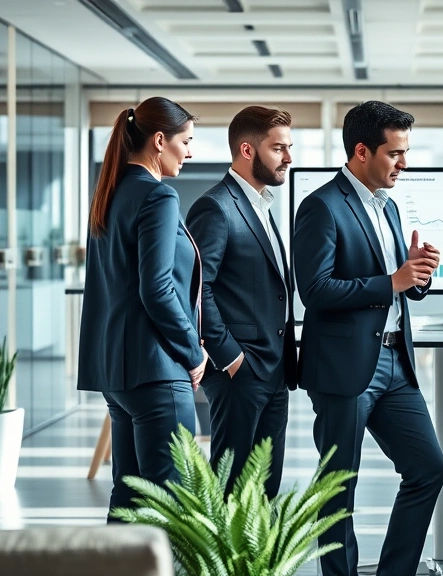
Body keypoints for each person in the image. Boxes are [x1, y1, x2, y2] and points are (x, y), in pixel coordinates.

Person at [292, 100, 443, 576]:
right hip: (345, 367)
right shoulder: (321, 206)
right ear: (361, 151)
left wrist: (417, 275)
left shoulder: (391, 206)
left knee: (428, 469)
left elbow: (396, 284)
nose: (404, 163)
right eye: (395, 153)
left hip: (397, 364)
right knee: (339, 486)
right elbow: (314, 291)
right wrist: (393, 281)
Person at [78, 97, 208, 521]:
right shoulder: (158, 197)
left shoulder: (110, 194)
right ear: (158, 140)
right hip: (157, 371)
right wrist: (194, 352)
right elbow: (157, 289)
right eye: (185, 141)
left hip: (118, 374)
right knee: (171, 507)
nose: (190, 151)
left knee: (130, 498)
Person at [185, 106, 297, 497]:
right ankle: (223, 562)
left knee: (265, 488)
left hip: (274, 369)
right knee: (232, 491)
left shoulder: (262, 205)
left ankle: (258, 563)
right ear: (247, 150)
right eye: (278, 148)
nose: (288, 157)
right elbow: (198, 289)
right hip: (241, 373)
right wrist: (230, 358)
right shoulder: (216, 207)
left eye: (289, 147)